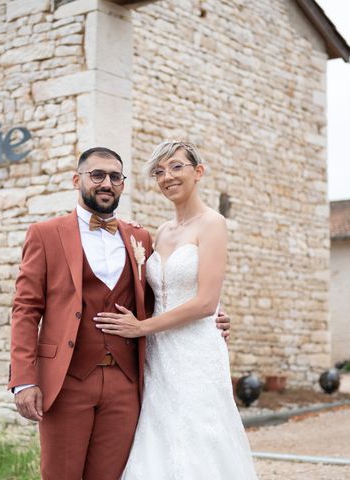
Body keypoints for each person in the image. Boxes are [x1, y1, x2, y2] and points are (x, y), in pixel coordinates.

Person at [8, 147, 231, 480]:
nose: (106, 183)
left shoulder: (139, 236)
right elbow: (25, 309)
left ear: (123, 185)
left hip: (125, 384)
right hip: (67, 380)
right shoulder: (45, 234)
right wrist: (23, 380)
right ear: (77, 180)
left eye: (115, 177)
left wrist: (214, 314)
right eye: (97, 175)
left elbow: (164, 293)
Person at [94, 141, 259, 479]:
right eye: (159, 171)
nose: (167, 176)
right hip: (160, 353)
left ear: (198, 172)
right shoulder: (162, 232)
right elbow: (156, 293)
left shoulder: (213, 224)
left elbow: (205, 303)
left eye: (176, 167)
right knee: (158, 436)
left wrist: (141, 328)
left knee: (200, 436)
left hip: (196, 351)